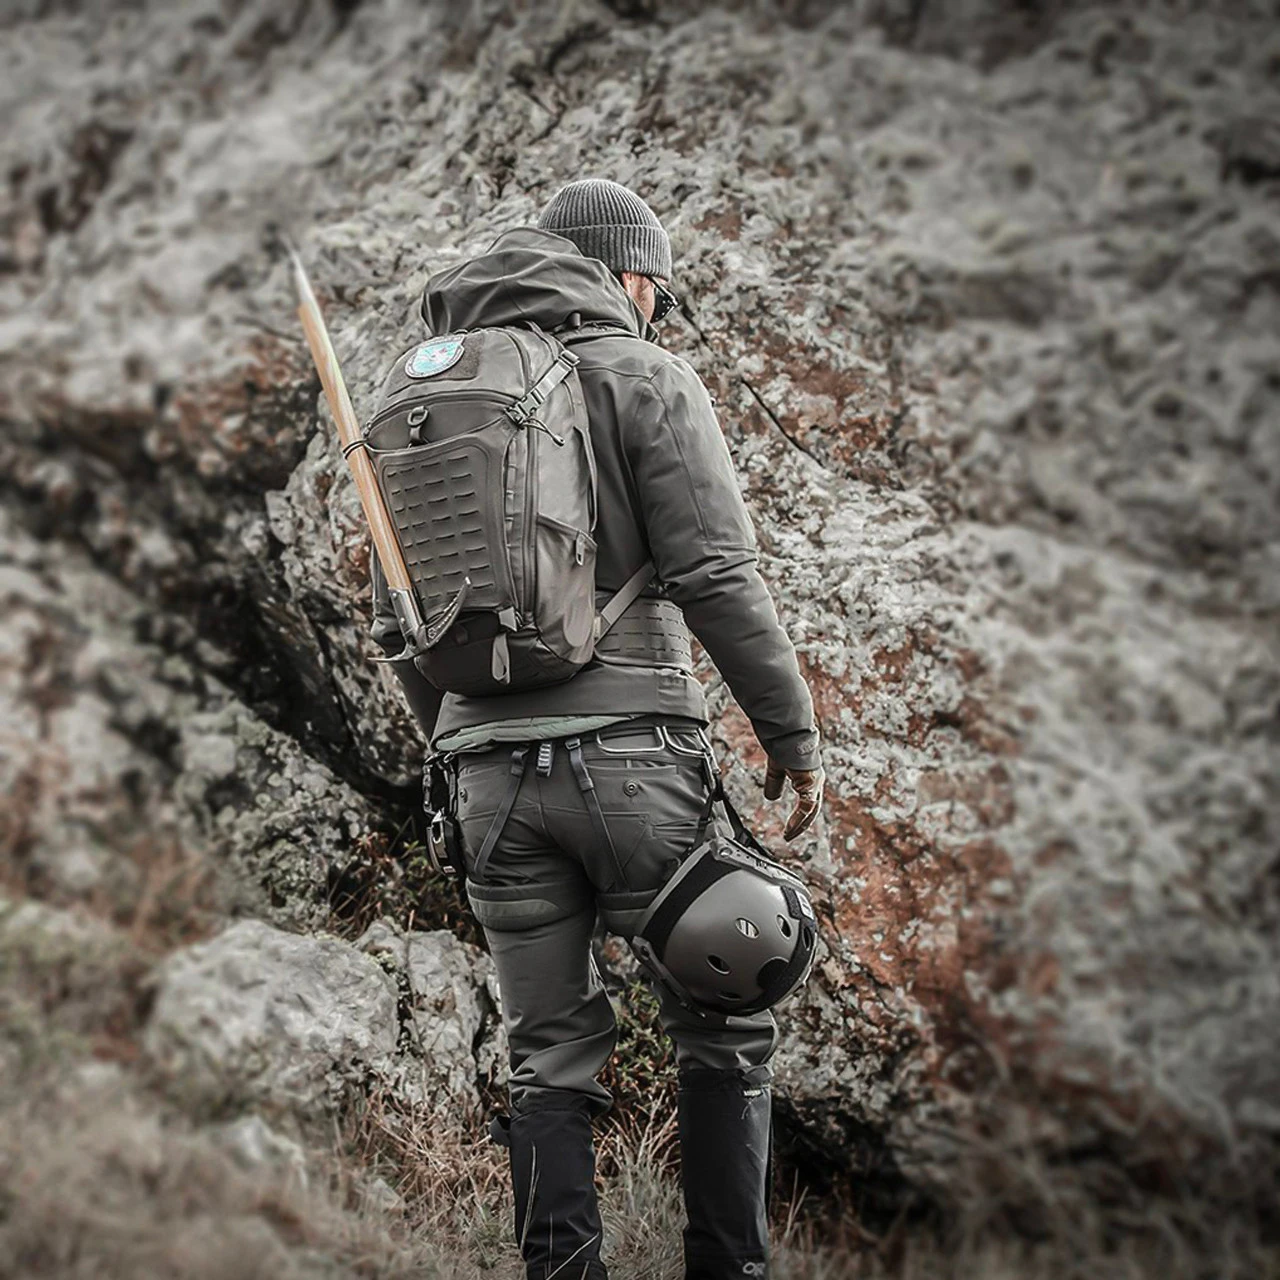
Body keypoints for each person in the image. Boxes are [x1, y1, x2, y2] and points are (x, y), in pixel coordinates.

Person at [370, 178, 823, 1280]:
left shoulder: (421, 396)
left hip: (485, 784)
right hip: (635, 768)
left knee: (546, 1057)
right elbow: (715, 574)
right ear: (624, 275)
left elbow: (398, 623)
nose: (655, 306)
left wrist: (459, 744)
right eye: (654, 286)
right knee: (726, 1013)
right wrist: (791, 735)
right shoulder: (644, 375)